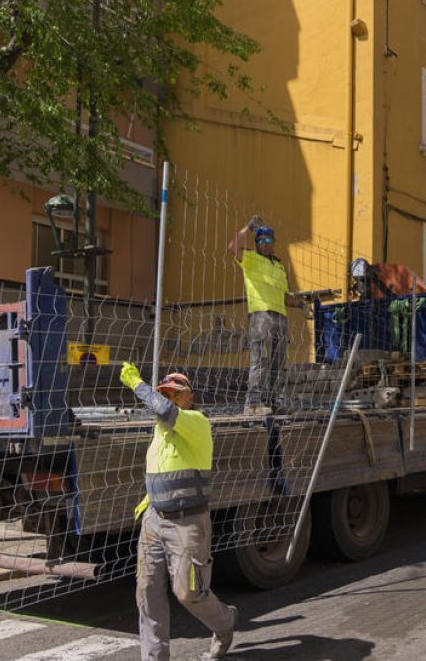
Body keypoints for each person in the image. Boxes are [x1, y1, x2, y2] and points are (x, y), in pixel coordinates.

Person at [119, 364, 238, 661]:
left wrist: (136, 383)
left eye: (176, 394)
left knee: (188, 592)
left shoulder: (196, 422)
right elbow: (165, 469)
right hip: (154, 520)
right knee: (146, 590)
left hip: (187, 524)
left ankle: (225, 623)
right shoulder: (160, 433)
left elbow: (162, 410)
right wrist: (151, 500)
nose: (170, 398)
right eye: (166, 393)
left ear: (189, 398)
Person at [228, 215, 299, 416]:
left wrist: (303, 304)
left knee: (278, 360)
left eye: (268, 239)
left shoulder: (279, 266)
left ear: (274, 242)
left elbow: (286, 297)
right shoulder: (250, 259)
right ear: (256, 243)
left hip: (280, 316)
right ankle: (252, 403)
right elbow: (233, 247)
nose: (264, 243)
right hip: (261, 315)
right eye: (260, 240)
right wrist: (249, 228)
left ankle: (273, 400)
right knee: (260, 359)